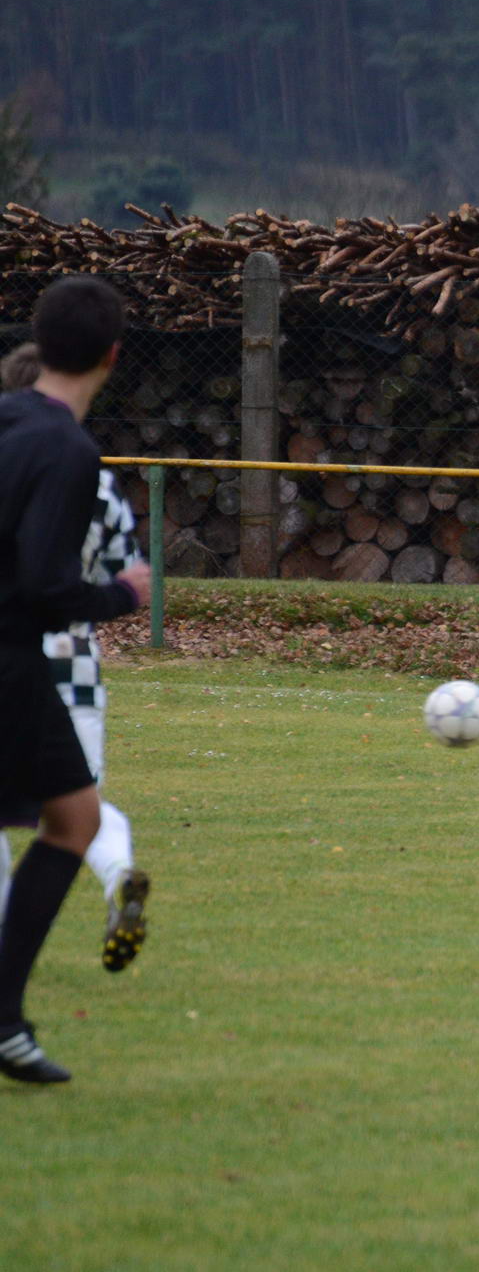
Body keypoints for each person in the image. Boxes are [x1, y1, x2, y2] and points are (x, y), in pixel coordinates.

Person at [0, 277, 152, 1084]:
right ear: (112, 356)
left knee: (71, 814)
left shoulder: (7, 418)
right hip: (18, 657)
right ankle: (3, 1020)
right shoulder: (69, 451)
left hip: (20, 657)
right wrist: (121, 596)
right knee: (73, 820)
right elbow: (44, 583)